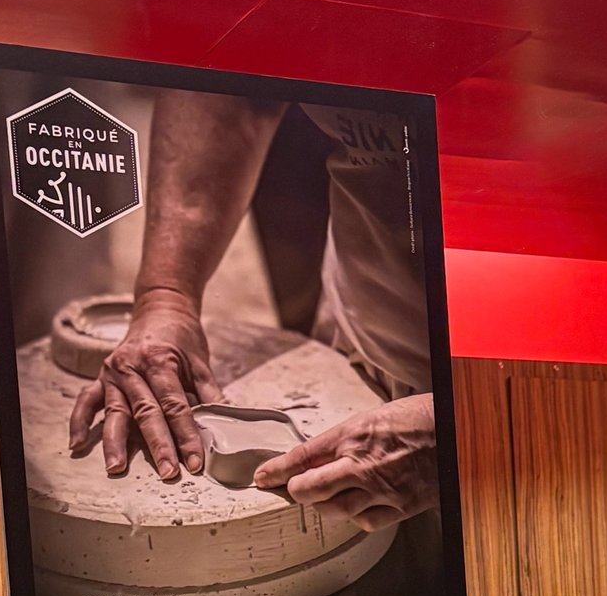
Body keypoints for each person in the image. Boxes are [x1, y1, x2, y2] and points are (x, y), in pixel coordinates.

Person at [66, 87, 442, 533]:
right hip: (365, 335)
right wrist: (166, 296)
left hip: (494, 397)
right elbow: (231, 92)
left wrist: (450, 431)